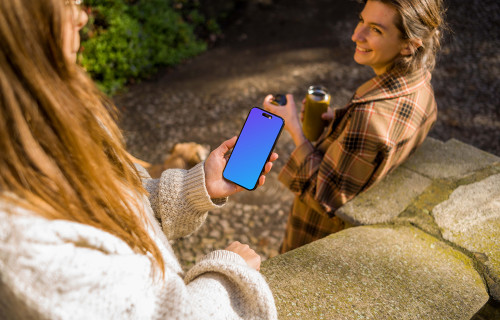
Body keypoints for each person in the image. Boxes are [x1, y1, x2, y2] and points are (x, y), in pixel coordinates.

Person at [0, 0, 278, 319]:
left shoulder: (42, 124)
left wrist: (198, 187)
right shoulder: (24, 246)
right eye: (65, 4)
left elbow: (115, 212)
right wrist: (230, 276)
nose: (81, 17)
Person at [263, 0, 446, 253]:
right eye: (362, 20)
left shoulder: (368, 116)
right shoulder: (422, 87)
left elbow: (324, 196)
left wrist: (294, 126)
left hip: (317, 242)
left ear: (409, 45)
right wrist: (341, 121)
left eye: (376, 30)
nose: (355, 35)